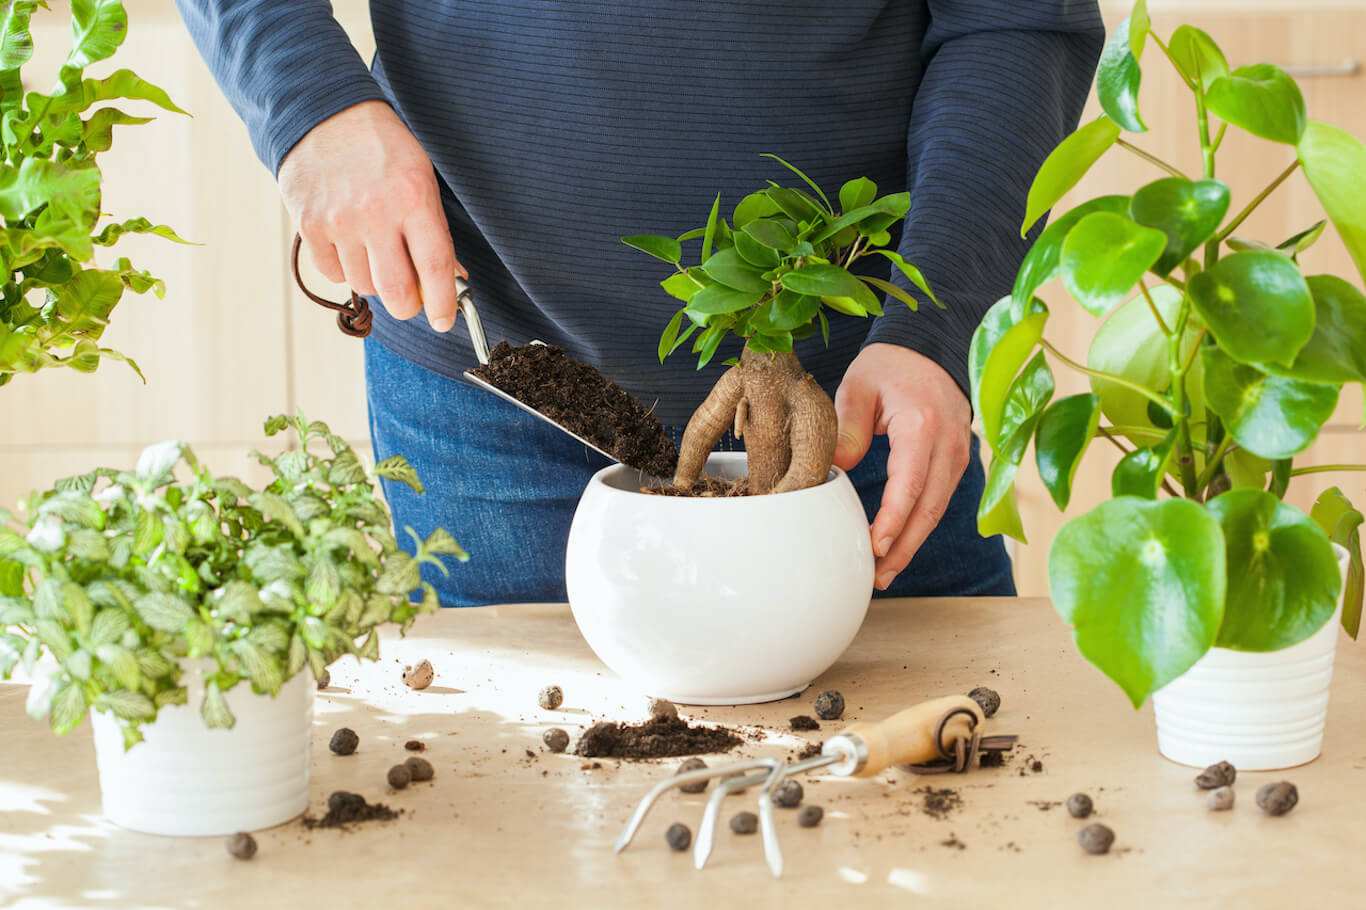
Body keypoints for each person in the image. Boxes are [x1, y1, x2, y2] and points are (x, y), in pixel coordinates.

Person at [177, 1, 1104, 606]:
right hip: (491, 393)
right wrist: (310, 105)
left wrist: (933, 326)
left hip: (865, 408)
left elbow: (1016, 21)